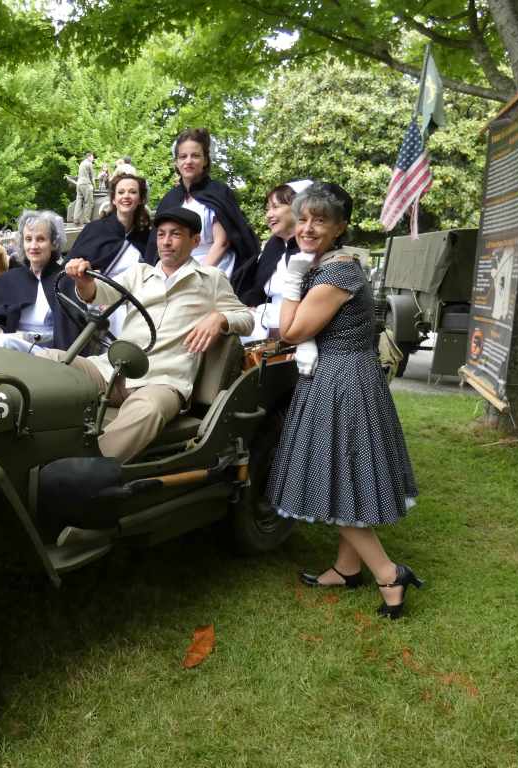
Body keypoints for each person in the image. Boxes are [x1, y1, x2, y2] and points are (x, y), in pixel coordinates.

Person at [266, 183, 422, 620]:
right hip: (342, 375)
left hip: (342, 380)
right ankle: (347, 568)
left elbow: (292, 331)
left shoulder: (337, 272)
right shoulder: (330, 264)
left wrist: (293, 278)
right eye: (303, 219)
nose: (308, 228)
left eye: (321, 220)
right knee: (345, 471)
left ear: (340, 228)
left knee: (334, 476)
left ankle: (390, 574)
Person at [49, 207, 252, 463]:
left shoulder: (211, 279)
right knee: (49, 360)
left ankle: (89, 467)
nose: (166, 242)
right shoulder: (139, 273)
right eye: (161, 234)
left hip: (163, 381)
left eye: (175, 234)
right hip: (111, 370)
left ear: (195, 241)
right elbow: (97, 293)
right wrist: (83, 282)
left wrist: (220, 318)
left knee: (148, 410)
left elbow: (245, 318)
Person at [144, 128, 258, 281]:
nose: (188, 161)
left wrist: (196, 275)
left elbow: (222, 242)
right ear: (176, 162)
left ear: (205, 160)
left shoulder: (218, 192)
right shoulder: (170, 199)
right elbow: (158, 244)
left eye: (195, 156)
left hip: (212, 266)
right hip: (175, 266)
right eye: (183, 156)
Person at [0, 210, 83, 354]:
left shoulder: (66, 279)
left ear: (53, 243)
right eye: (28, 239)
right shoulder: (9, 279)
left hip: (50, 353)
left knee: (4, 343)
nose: (33, 246)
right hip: (9, 346)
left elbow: (71, 334)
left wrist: (23, 337)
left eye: (41, 239)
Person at [67, 173, 151, 339]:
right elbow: (72, 268)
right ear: (113, 199)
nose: (126, 196)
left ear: (141, 199)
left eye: (132, 192)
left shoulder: (147, 237)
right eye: (121, 192)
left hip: (131, 301)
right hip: (93, 299)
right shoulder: (95, 229)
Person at [233, 182, 302, 341]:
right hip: (266, 321)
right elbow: (256, 290)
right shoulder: (273, 247)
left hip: (294, 328)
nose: (269, 215)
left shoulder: (312, 251)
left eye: (275, 207)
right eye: (267, 209)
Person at [68, 151, 96, 225]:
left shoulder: (82, 163)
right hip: (86, 184)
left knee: (79, 201)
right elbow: (92, 177)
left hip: (79, 184)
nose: (93, 159)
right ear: (89, 157)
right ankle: (86, 219)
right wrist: (95, 186)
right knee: (89, 202)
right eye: (93, 157)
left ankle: (76, 218)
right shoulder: (89, 164)